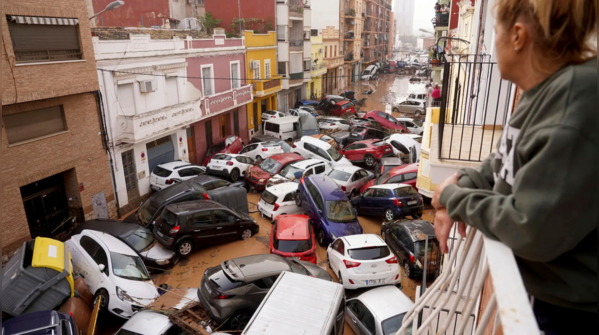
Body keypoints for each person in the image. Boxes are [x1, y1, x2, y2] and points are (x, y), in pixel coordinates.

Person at [431, 0, 597, 334]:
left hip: (573, 314)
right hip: (550, 297)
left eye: (495, 32)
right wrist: (463, 180)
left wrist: (454, 198)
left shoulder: (573, 103)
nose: (493, 43)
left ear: (518, 36)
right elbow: (501, 163)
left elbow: (530, 228)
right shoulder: (545, 92)